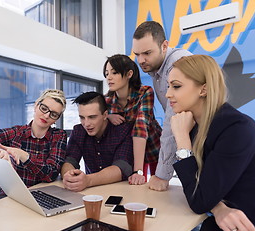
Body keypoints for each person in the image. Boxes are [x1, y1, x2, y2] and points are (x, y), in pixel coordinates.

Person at [168, 54, 255, 231]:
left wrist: (181, 138)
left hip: (253, 225)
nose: (168, 93)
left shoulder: (236, 129)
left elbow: (198, 200)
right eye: (168, 86)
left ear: (204, 89)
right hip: (226, 215)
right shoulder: (195, 126)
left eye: (176, 86)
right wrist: (218, 207)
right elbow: (200, 189)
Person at [132, 20, 192, 191]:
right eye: (137, 54)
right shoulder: (155, 68)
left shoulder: (177, 63)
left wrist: (162, 175)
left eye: (147, 53)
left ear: (164, 46)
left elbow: (171, 122)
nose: (141, 60)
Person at [103, 54, 161, 185]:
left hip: (153, 148)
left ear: (129, 74)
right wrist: (108, 117)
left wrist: (138, 171)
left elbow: (140, 125)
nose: (109, 77)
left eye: (115, 72)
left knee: (157, 185)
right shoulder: (107, 100)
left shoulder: (145, 92)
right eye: (106, 74)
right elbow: (99, 119)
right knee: (135, 188)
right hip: (129, 152)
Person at [61, 91, 134, 192]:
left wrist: (88, 180)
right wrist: (69, 176)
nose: (86, 124)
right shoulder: (78, 131)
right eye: (82, 117)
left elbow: (121, 168)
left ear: (105, 115)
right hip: (91, 193)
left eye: (92, 117)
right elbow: (69, 161)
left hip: (121, 192)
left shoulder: (123, 131)